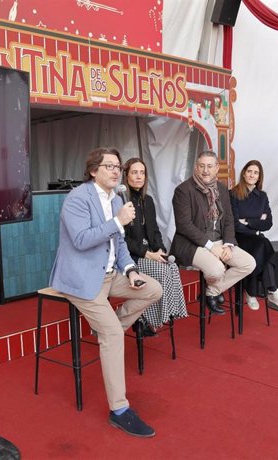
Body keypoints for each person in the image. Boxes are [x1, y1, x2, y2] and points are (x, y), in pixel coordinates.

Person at [49, 147, 163, 438]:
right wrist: (118, 221)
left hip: (111, 274)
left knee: (153, 288)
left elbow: (120, 244)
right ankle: (119, 410)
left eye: (117, 166)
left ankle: (109, 329)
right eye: (109, 166)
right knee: (113, 335)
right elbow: (81, 240)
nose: (116, 171)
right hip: (82, 278)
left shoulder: (117, 199)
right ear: (93, 171)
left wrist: (131, 271)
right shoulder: (77, 199)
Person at [170, 150, 255, 314]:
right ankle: (213, 291)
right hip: (193, 244)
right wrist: (211, 247)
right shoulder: (183, 190)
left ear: (216, 168)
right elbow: (184, 225)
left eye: (209, 166)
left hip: (220, 241)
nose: (205, 170)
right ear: (196, 167)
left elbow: (229, 219)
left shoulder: (222, 189)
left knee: (249, 263)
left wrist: (229, 244)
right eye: (201, 166)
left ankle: (211, 292)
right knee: (217, 270)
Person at [121, 158, 188, 335]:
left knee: (172, 267)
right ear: (126, 175)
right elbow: (123, 240)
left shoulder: (147, 200)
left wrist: (160, 250)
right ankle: (148, 319)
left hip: (149, 252)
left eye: (142, 173)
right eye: (134, 172)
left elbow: (155, 230)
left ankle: (168, 314)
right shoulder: (121, 201)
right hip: (131, 257)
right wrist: (147, 254)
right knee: (163, 272)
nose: (139, 176)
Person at [230, 160, 278, 309]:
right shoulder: (233, 194)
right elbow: (234, 224)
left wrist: (248, 221)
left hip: (255, 238)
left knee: (261, 246)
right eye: (249, 171)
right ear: (244, 173)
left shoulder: (262, 196)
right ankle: (271, 291)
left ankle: (251, 291)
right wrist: (257, 221)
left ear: (259, 177)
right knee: (264, 247)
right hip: (239, 239)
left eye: (256, 173)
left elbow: (268, 223)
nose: (252, 175)